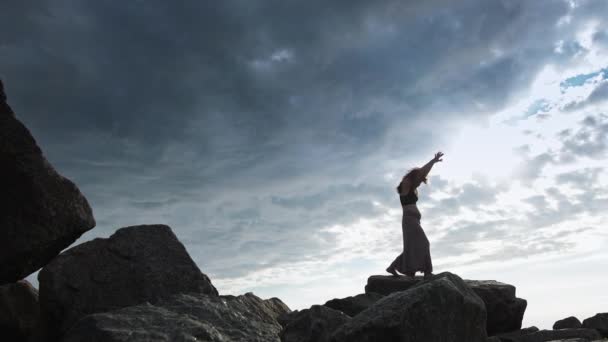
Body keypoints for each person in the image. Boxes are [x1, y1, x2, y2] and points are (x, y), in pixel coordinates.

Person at [386, 151, 443, 279]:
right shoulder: (406, 184)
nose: (420, 183)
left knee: (412, 247)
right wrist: (433, 161)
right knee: (424, 243)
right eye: (419, 180)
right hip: (409, 220)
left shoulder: (411, 186)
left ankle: (393, 267)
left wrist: (432, 164)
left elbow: (422, 173)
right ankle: (427, 271)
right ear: (414, 178)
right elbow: (422, 171)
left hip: (413, 220)